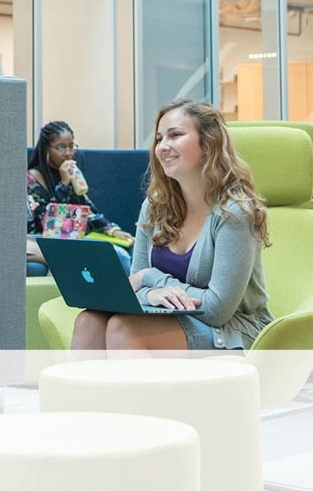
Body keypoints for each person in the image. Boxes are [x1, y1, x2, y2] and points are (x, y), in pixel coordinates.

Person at [70, 98, 273, 354]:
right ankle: (86, 396)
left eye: (175, 135)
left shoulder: (235, 213)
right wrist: (149, 290)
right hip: (175, 319)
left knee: (124, 328)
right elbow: (135, 286)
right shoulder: (154, 207)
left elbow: (216, 310)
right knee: (89, 321)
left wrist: (152, 279)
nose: (163, 146)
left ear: (208, 144)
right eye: (159, 138)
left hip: (234, 330)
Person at [27, 121, 134, 275]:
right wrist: (63, 185)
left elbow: (88, 209)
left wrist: (112, 230)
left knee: (130, 247)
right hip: (46, 239)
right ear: (46, 150)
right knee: (119, 256)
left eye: (71, 146)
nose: (68, 153)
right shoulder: (31, 179)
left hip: (74, 236)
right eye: (61, 147)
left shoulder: (72, 173)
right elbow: (50, 225)